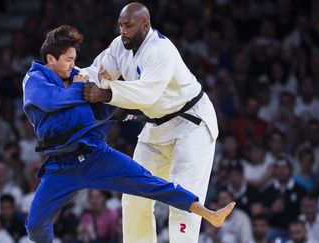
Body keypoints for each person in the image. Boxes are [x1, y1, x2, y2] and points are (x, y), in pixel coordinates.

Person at [22, 25, 235, 243]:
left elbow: (101, 110)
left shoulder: (78, 76)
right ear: (50, 58)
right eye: (68, 59)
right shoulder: (35, 79)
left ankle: (208, 213)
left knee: (146, 183)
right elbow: (53, 101)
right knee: (36, 225)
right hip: (61, 165)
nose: (74, 65)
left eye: (75, 59)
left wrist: (108, 87)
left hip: (94, 154)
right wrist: (80, 89)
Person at [81, 2, 219, 242]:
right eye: (120, 25)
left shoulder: (160, 50)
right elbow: (95, 71)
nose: (123, 30)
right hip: (156, 126)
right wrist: (69, 75)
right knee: (134, 196)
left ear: (145, 24)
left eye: (128, 25)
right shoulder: (118, 45)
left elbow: (147, 94)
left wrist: (104, 93)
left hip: (191, 123)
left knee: (183, 198)